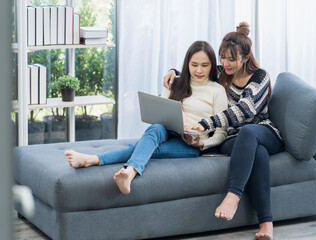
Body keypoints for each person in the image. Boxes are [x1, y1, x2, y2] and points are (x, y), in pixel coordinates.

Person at [163, 22, 282, 240]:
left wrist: (206, 123)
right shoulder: (223, 73)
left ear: (245, 58)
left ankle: (233, 195)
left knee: (249, 132)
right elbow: (198, 69)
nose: (225, 64)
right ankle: (267, 223)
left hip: (264, 132)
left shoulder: (260, 76)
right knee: (257, 153)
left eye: (231, 59)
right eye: (222, 58)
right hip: (234, 138)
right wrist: (174, 71)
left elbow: (246, 109)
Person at [64, 40, 228, 195]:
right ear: (187, 64)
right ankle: (122, 170)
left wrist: (202, 143)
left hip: (191, 143)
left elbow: (221, 133)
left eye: (205, 65)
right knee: (156, 128)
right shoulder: (176, 82)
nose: (199, 70)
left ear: (212, 65)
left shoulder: (217, 90)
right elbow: (163, 111)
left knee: (141, 148)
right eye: (194, 65)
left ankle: (112, 166)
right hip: (168, 129)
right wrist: (179, 116)